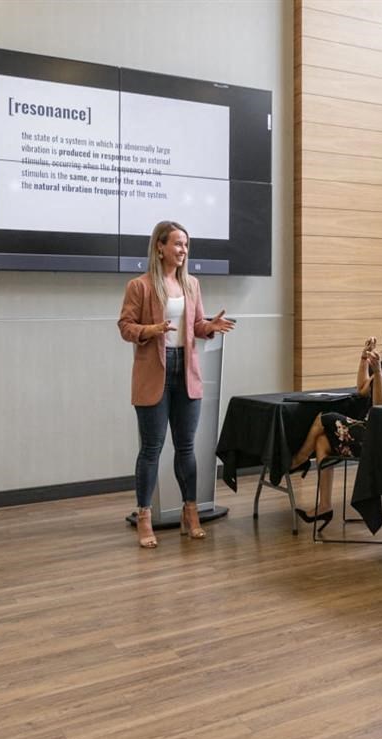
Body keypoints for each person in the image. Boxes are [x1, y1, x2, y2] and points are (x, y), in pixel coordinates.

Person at [118, 221, 235, 548]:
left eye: (186, 245)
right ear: (160, 247)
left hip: (186, 371)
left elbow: (195, 326)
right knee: (151, 449)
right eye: (178, 244)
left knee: (187, 448)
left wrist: (210, 326)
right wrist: (150, 330)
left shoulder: (192, 285)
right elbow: (125, 326)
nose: (183, 251)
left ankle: (190, 511)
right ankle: (144, 516)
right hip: (154, 372)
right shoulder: (139, 286)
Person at [289, 311, 382, 527]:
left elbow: (381, 406)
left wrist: (376, 371)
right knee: (322, 441)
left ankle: (298, 460)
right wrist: (364, 357)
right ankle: (325, 506)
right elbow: (361, 390)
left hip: (378, 437)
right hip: (370, 430)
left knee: (324, 418)